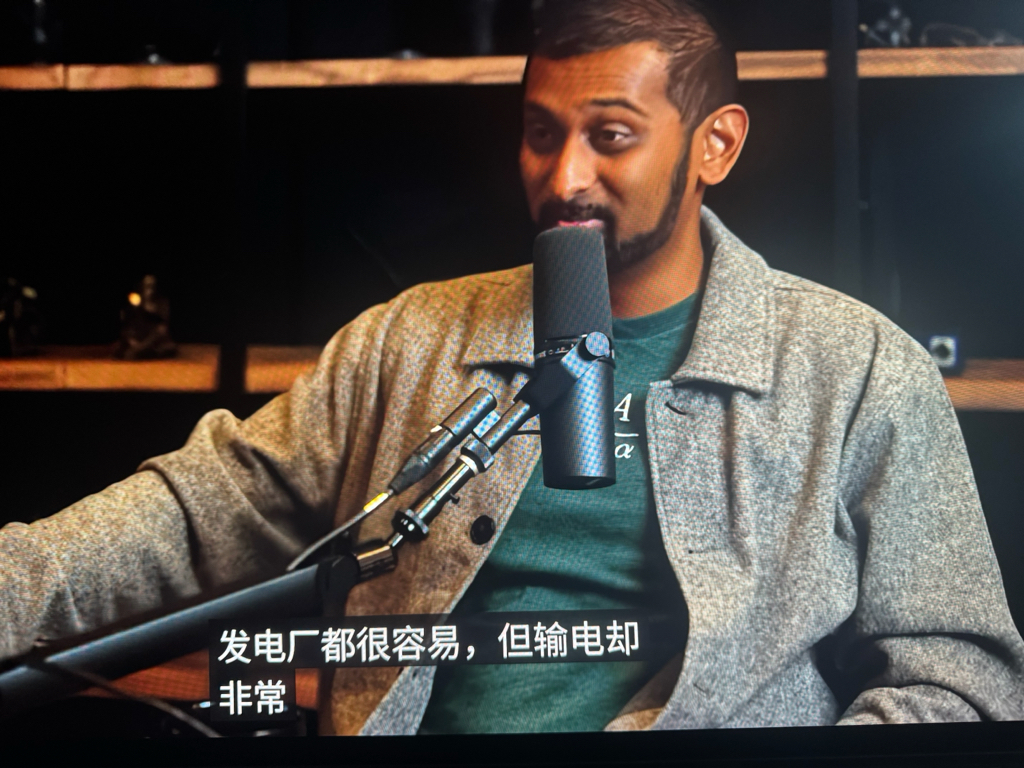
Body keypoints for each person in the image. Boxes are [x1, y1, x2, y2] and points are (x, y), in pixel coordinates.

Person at [2, 0, 1023, 735]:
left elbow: (961, 681)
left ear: (714, 145)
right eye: (541, 133)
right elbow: (192, 514)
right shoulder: (409, 341)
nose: (564, 175)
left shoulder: (858, 370)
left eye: (610, 137)